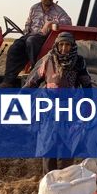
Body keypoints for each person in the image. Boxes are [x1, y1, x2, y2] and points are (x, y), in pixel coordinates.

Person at [24, 31, 92, 174]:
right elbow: (35, 80)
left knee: (67, 146)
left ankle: (65, 181)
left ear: (72, 46)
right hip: (49, 109)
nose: (63, 48)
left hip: (69, 109)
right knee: (48, 145)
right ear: (56, 45)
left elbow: (86, 85)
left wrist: (88, 105)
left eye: (67, 45)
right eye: (61, 44)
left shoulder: (78, 62)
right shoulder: (48, 60)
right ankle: (49, 180)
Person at [0, 0, 72, 88]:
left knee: (31, 41)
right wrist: (26, 32)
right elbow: (28, 23)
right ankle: (8, 81)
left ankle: (36, 72)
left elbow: (68, 21)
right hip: (31, 35)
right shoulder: (34, 8)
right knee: (15, 47)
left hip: (45, 38)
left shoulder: (58, 10)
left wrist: (51, 23)